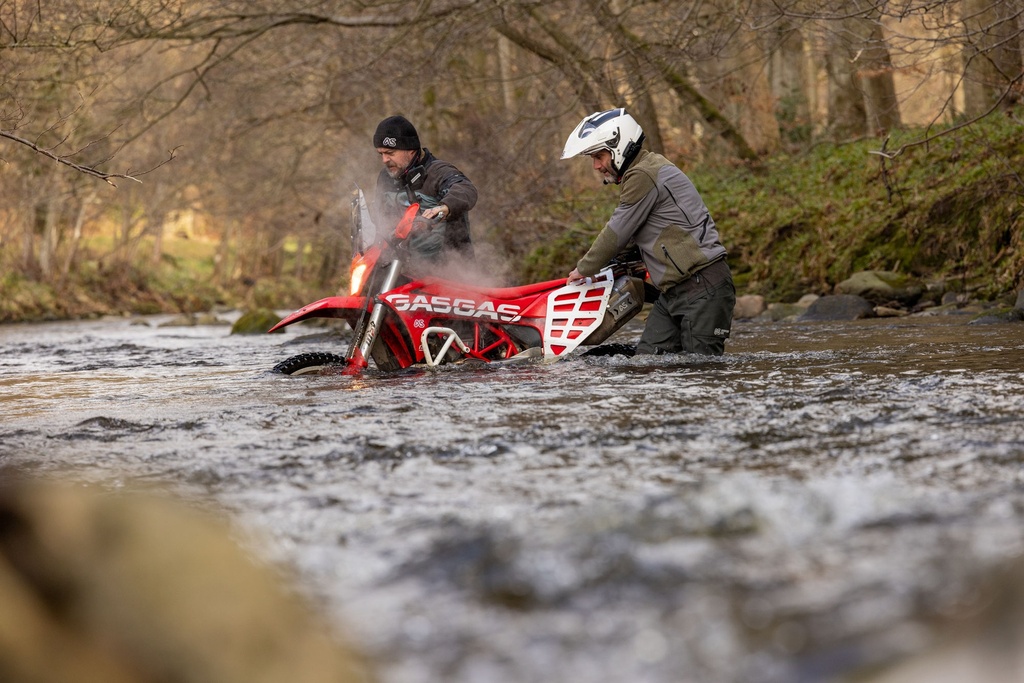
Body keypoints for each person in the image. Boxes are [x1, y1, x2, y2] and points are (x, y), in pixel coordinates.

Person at [563, 108, 735, 356]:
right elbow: (639, 236)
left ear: (619, 148)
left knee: (701, 373)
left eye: (599, 156)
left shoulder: (643, 174)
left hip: (703, 286)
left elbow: (616, 232)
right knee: (647, 366)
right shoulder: (646, 169)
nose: (596, 166)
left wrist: (583, 269)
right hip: (675, 291)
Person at [371, 115, 477, 261]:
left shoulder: (438, 172)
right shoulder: (386, 177)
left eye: (390, 153)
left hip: (450, 270)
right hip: (402, 268)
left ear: (411, 150)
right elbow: (380, 218)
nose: (385, 160)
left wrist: (443, 208)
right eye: (381, 154)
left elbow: (465, 189)